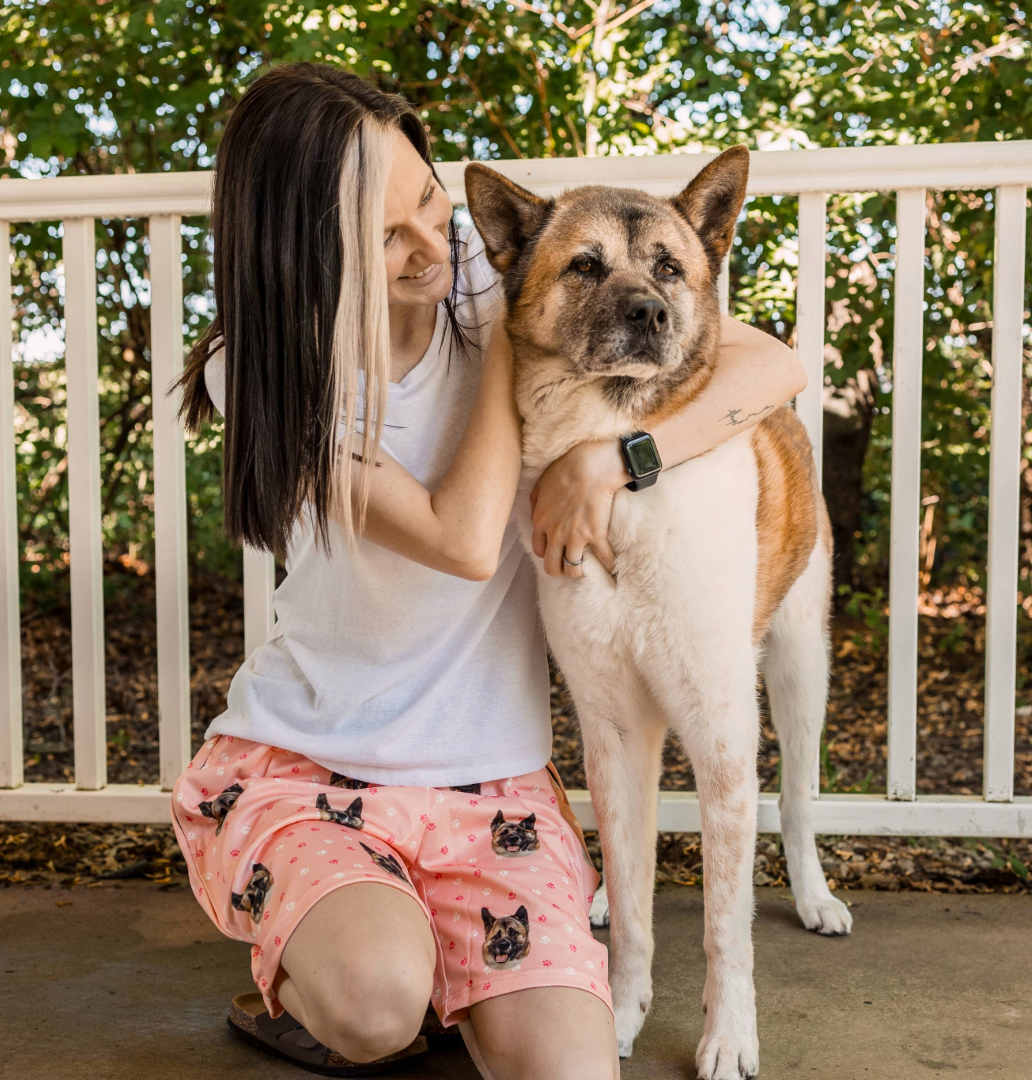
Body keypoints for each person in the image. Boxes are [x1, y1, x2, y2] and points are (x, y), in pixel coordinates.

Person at [172, 62, 807, 1080]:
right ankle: (334, 973)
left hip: (488, 786)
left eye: (429, 198)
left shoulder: (501, 260)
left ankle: (414, 945)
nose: (434, 245)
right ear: (309, 251)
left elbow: (773, 366)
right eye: (388, 236)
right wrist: (515, 316)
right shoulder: (268, 368)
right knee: (379, 1006)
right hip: (319, 763)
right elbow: (466, 540)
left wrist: (612, 457)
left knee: (573, 1072)